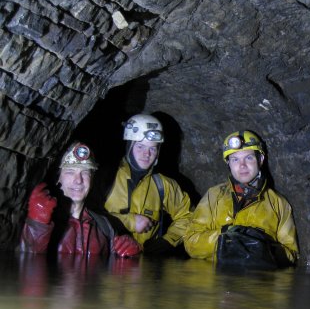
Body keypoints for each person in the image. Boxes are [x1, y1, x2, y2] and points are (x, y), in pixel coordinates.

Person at [184, 130, 298, 267]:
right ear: (228, 163)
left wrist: (265, 249)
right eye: (235, 159)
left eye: (249, 158)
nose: (242, 165)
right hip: (218, 283)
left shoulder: (279, 203)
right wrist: (225, 237)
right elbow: (191, 243)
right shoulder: (213, 196)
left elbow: (291, 254)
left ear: (260, 160)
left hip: (258, 284)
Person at [20, 142, 141, 258]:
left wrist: (132, 256)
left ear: (92, 178)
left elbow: (117, 274)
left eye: (85, 172)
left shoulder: (105, 226)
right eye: (70, 172)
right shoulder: (43, 221)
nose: (78, 180)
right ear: (58, 178)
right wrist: (37, 225)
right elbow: (26, 264)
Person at [104, 113, 193, 255]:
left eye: (152, 148)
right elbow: (86, 213)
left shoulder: (163, 185)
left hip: (143, 264)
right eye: (140, 147)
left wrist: (167, 241)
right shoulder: (106, 176)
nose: (147, 154)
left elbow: (187, 216)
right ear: (129, 146)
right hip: (105, 260)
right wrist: (131, 222)